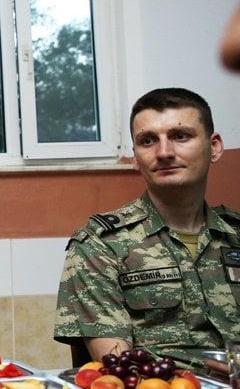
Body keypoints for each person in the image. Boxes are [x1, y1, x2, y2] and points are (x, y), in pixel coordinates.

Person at [54, 87, 240, 369]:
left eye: (180, 136)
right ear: (135, 157)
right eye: (148, 140)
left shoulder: (235, 235)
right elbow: (118, 366)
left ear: (213, 147)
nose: (164, 152)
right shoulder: (101, 244)